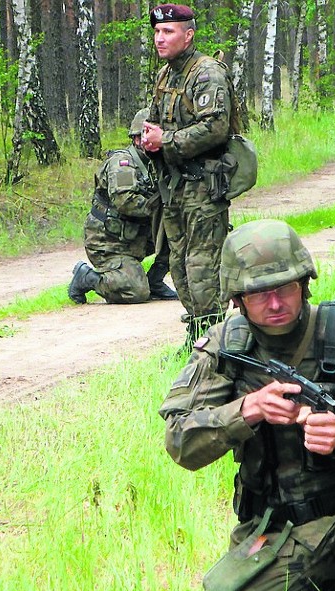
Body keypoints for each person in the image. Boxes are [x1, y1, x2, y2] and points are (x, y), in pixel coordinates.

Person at [159, 219, 335, 591]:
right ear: (237, 299)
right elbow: (179, 442)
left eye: (284, 288)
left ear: (304, 283)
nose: (274, 304)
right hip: (278, 531)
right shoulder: (228, 345)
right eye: (258, 294)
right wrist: (246, 411)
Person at [142, 4, 236, 346]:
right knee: (179, 265)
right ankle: (197, 337)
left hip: (204, 186)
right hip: (174, 186)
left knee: (203, 267)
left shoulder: (207, 73)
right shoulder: (166, 75)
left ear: (188, 34)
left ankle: (216, 343)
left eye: (168, 32)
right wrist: (146, 137)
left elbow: (215, 126)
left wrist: (165, 140)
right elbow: (155, 119)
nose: (160, 38)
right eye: (157, 32)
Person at [68, 108, 178, 304]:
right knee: (137, 292)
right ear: (138, 139)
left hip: (134, 237)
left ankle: (155, 280)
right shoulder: (123, 163)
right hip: (109, 242)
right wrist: (161, 209)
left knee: (182, 229)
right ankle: (88, 278)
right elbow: (125, 201)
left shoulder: (156, 163)